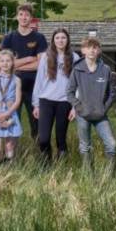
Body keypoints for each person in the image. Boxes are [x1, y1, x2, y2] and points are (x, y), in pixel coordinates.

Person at [67, 37, 116, 173]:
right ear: (83, 50)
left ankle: (110, 176)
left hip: (100, 115)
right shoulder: (77, 69)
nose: (92, 50)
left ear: (99, 50)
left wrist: (104, 109)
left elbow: (111, 93)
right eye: (88, 47)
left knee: (111, 144)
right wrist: (79, 108)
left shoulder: (105, 69)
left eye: (95, 47)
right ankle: (89, 175)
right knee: (85, 146)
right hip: (83, 115)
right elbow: (69, 93)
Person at [0, 3, 48, 140]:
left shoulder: (39, 38)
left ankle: (39, 155)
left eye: (27, 15)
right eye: (21, 14)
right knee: (13, 120)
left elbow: (41, 64)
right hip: (12, 87)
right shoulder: (9, 38)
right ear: (17, 17)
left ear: (31, 18)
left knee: (36, 122)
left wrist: (15, 64)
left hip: (34, 87)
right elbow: (4, 64)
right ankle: (12, 156)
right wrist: (28, 58)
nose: (24, 17)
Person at [32, 28, 79, 163]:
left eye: (63, 37)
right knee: (43, 138)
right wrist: (36, 104)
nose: (60, 40)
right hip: (46, 101)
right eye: (57, 38)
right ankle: (46, 164)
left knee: (61, 138)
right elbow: (39, 80)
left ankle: (61, 166)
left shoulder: (74, 57)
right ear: (53, 40)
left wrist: (74, 107)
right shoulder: (46, 57)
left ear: (67, 40)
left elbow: (78, 84)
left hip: (64, 102)